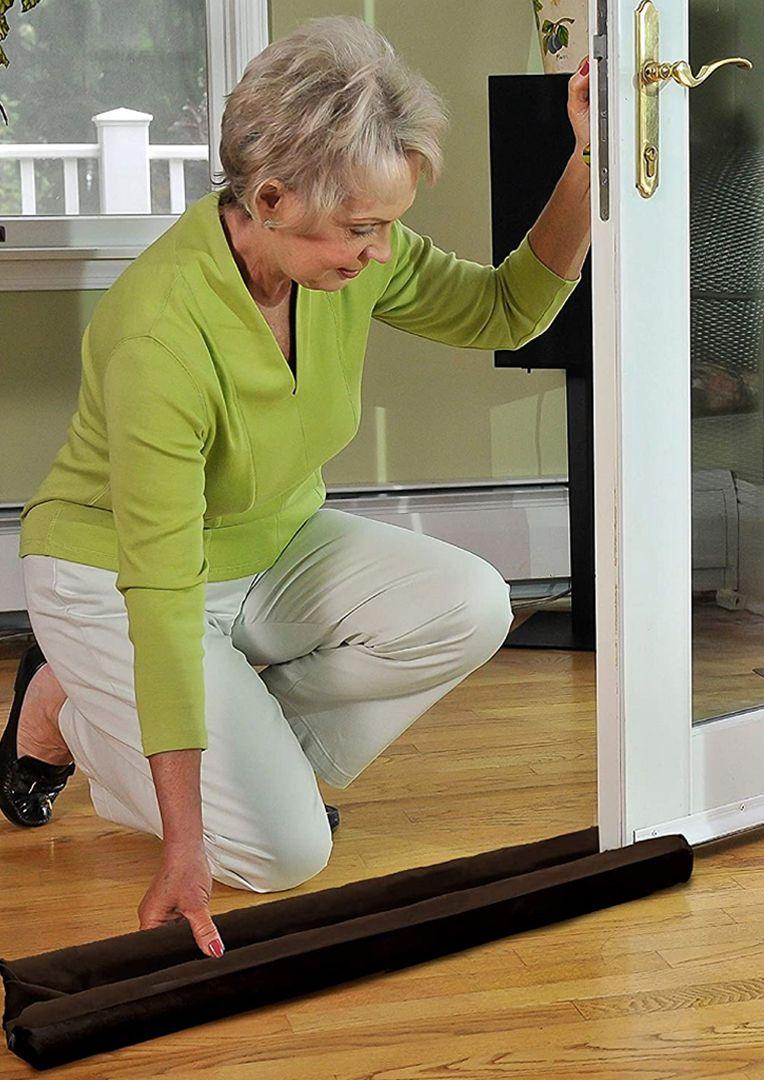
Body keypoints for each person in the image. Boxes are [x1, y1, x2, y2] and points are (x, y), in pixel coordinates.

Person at [2, 16, 591, 962]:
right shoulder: (160, 334)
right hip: (119, 575)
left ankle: (200, 742)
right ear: (270, 198)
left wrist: (587, 160)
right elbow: (161, 591)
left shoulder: (341, 266)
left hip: (270, 542)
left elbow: (505, 309)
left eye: (387, 223)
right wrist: (186, 845)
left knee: (473, 603)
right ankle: (66, 710)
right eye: (363, 229)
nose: (382, 251)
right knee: (284, 856)